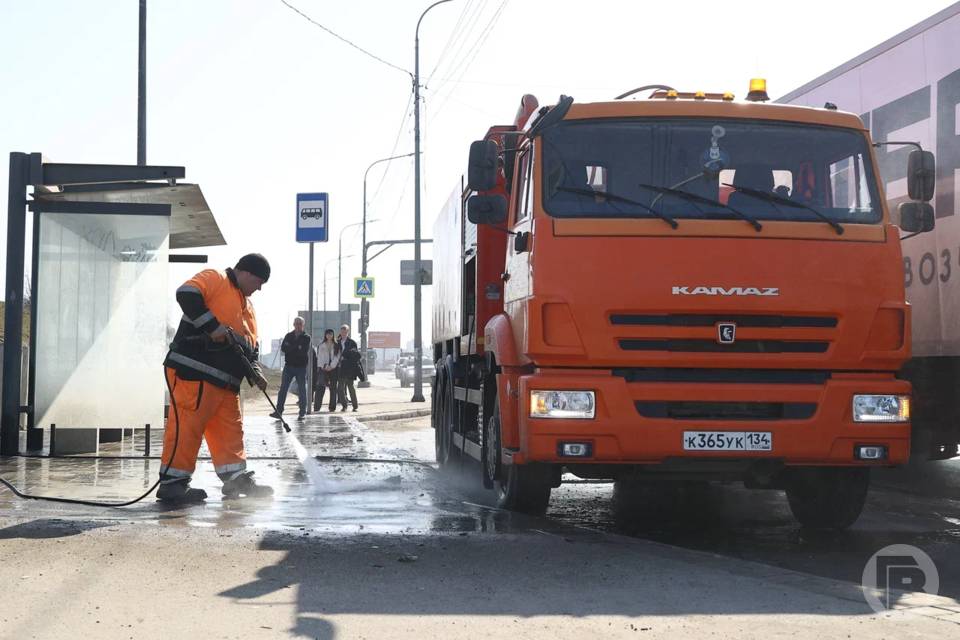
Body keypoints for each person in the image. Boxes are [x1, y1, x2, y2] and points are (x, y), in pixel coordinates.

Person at [158, 253, 273, 504]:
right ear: (246, 273)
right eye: (259, 282)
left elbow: (249, 347)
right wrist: (213, 327)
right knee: (187, 428)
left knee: (230, 433)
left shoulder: (247, 307)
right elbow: (186, 294)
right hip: (194, 374)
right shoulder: (215, 278)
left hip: (225, 383)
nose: (260, 288)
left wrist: (256, 370)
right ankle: (173, 485)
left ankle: (235, 479)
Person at [271, 317, 311, 420]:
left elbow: (303, 352)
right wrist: (297, 346)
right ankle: (279, 411)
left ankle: (302, 412)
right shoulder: (288, 336)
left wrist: (291, 347)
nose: (298, 325)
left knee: (302, 390)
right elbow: (284, 349)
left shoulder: (306, 337)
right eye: (296, 323)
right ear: (293, 324)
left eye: (300, 324)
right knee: (283, 389)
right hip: (288, 367)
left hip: (301, 367)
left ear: (303, 325)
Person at [336, 324, 364, 412]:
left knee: (350, 387)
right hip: (340, 368)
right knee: (340, 388)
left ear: (348, 332)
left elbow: (355, 355)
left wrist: (345, 356)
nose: (343, 333)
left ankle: (355, 406)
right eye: (342, 331)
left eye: (345, 331)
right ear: (340, 332)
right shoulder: (338, 342)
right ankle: (344, 405)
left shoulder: (352, 342)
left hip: (349, 368)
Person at [313, 328, 340, 411]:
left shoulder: (337, 345)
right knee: (320, 387)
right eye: (327, 334)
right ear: (325, 335)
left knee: (333, 388)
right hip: (322, 369)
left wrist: (331, 366)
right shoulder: (321, 345)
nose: (329, 336)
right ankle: (317, 407)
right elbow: (319, 358)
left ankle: (332, 407)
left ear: (333, 335)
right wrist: (324, 366)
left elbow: (337, 357)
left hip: (333, 369)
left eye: (331, 334)